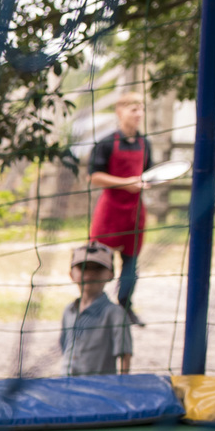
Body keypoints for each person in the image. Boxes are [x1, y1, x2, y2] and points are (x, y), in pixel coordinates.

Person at [88, 90, 153, 327]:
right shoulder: (106, 142)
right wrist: (127, 183)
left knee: (131, 264)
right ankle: (96, 307)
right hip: (110, 212)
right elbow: (94, 176)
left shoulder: (145, 143)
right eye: (133, 109)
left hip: (135, 213)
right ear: (120, 111)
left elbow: (148, 173)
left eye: (141, 108)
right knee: (101, 262)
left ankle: (126, 307)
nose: (138, 113)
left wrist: (149, 182)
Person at [60, 241, 132, 377]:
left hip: (100, 389)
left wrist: (123, 386)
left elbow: (125, 355)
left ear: (110, 274)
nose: (89, 274)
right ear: (71, 274)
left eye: (97, 268)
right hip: (67, 386)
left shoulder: (115, 313)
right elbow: (64, 346)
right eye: (83, 267)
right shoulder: (68, 310)